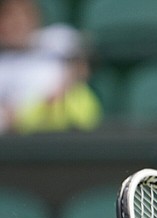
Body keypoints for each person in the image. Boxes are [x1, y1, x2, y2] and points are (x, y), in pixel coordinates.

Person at [0, 0, 101, 134]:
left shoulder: (58, 37)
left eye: (22, 17)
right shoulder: (3, 65)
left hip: (67, 115)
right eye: (10, 20)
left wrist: (66, 84)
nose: (17, 24)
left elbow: (85, 63)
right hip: (24, 130)